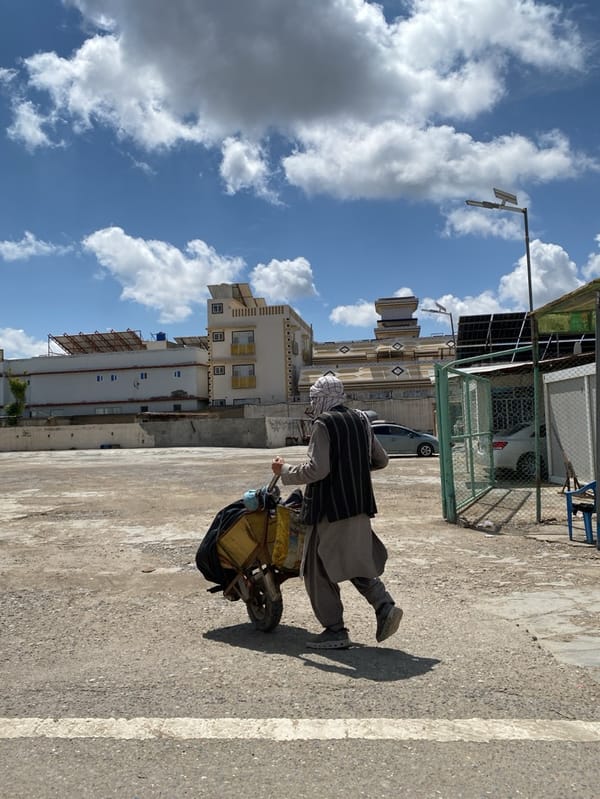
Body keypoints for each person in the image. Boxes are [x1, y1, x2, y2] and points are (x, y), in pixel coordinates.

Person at [271, 374, 402, 650]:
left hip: (328, 509)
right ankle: (384, 606)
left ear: (321, 399)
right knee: (352, 561)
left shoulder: (324, 423)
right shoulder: (361, 420)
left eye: (314, 399)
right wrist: (353, 470)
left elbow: (318, 470)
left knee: (316, 570)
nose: (312, 405)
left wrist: (284, 471)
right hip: (359, 505)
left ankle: (335, 630)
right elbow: (381, 460)